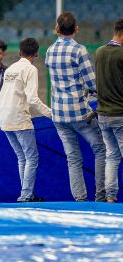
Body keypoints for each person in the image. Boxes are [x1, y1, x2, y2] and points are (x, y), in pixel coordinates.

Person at [45, 12, 106, 202]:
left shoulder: (49, 51)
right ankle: (101, 196)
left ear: (56, 29)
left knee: (73, 158)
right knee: (101, 149)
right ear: (76, 29)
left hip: (59, 114)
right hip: (80, 112)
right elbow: (92, 83)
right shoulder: (79, 50)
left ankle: (80, 199)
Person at [0, 38, 51, 203]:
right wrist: (51, 113)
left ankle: (26, 193)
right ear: (36, 54)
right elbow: (33, 99)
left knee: (22, 157)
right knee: (31, 157)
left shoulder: (10, 69)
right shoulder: (30, 69)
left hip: (4, 117)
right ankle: (26, 195)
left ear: (20, 52)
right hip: (19, 117)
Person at [94, 19, 123, 203]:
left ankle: (110, 197)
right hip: (120, 114)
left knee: (112, 155)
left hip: (103, 114)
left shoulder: (98, 52)